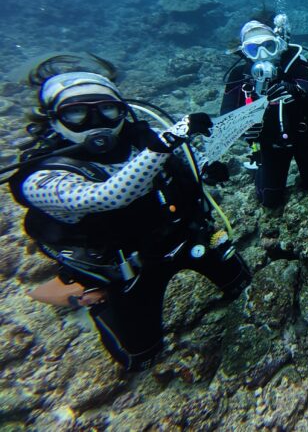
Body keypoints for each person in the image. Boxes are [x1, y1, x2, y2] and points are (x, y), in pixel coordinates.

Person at [5, 55, 251, 372]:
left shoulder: (144, 139)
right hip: (126, 268)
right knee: (141, 355)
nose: (96, 122)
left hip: (184, 236)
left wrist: (204, 169)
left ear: (122, 110)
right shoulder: (40, 177)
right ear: (53, 119)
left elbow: (183, 159)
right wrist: (168, 141)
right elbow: (108, 196)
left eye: (107, 109)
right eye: (77, 113)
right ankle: (92, 299)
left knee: (241, 283)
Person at [221, 16, 308, 207]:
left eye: (268, 46)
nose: (262, 54)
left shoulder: (295, 63)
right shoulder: (239, 75)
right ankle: (259, 166)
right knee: (269, 200)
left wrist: (295, 90)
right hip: (269, 142)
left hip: (305, 137)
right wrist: (243, 127)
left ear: (278, 44)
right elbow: (226, 114)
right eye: (253, 49)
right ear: (245, 52)